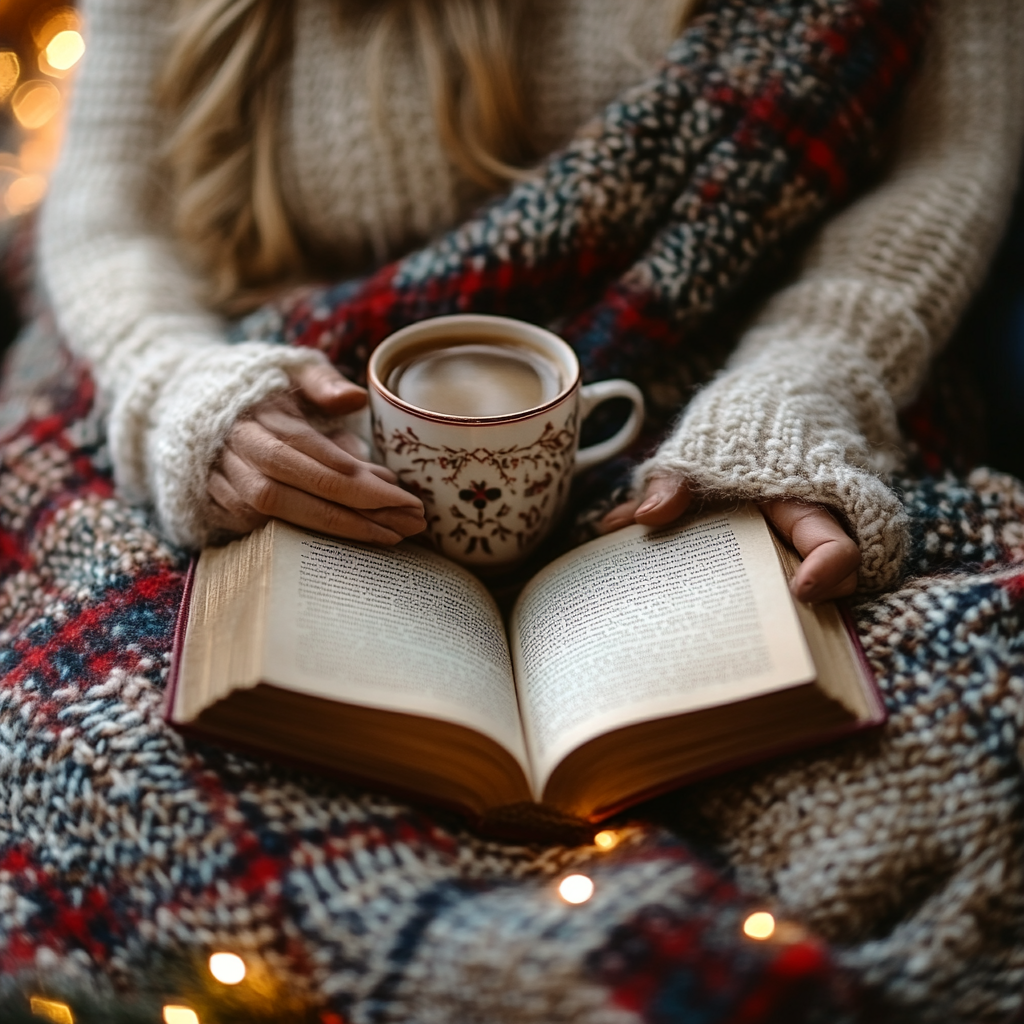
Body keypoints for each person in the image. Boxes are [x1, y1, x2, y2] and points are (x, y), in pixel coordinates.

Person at [17, 0, 1024, 1018]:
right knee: (140, 775)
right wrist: (172, 383)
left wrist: (803, 391)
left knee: (963, 762)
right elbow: (108, 214)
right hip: (286, 418)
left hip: (728, 413)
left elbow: (942, 164)